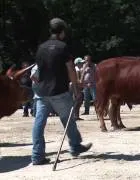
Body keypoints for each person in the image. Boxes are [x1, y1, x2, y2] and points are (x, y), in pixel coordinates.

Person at [32, 17, 92, 165]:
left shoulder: (41, 48)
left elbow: (38, 71)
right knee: (68, 120)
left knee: (39, 124)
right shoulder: (62, 47)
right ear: (62, 31)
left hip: (42, 92)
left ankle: (37, 156)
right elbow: (71, 68)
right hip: (58, 91)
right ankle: (75, 146)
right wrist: (77, 88)